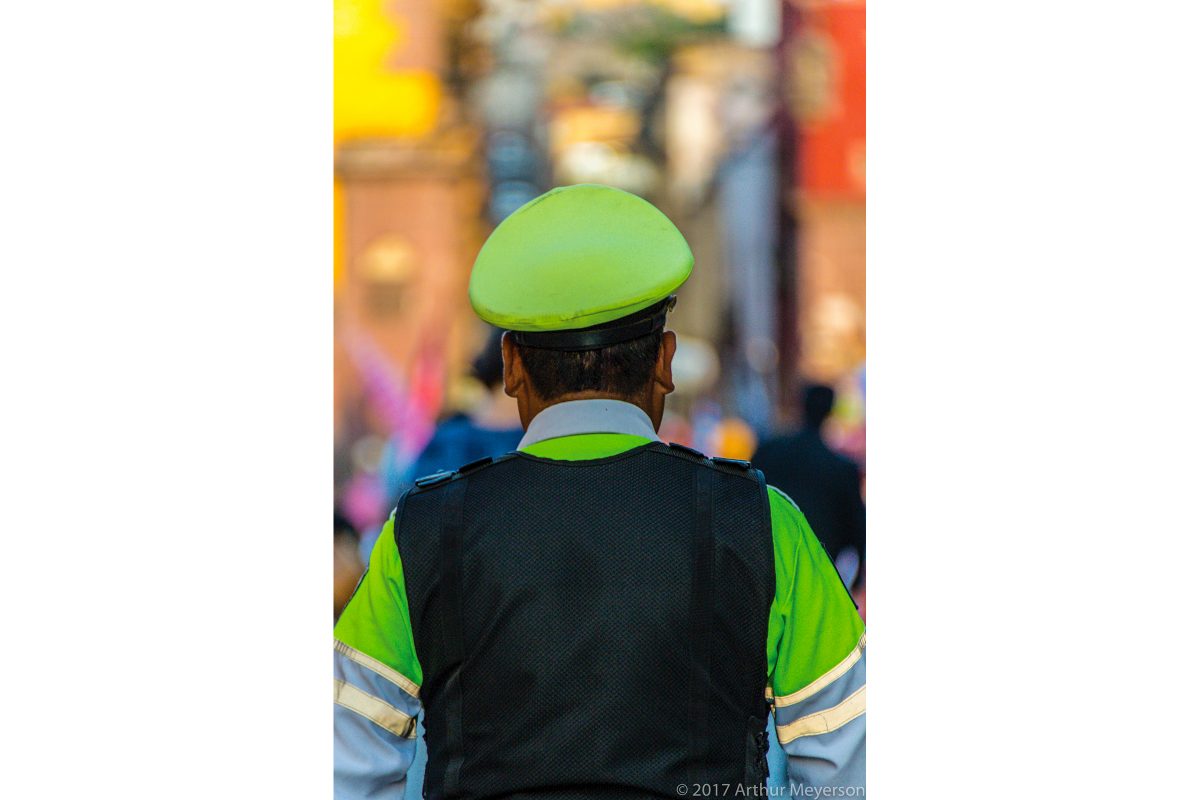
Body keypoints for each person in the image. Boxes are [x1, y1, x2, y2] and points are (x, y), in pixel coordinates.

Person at [333, 184, 866, 799]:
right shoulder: (761, 522)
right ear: (664, 360)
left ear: (510, 366)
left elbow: (349, 762)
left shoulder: (423, 531)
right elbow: (845, 762)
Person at [752, 385, 867, 591]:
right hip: (814, 579)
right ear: (830, 411)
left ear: (801, 406)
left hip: (765, 569)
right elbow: (859, 530)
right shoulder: (841, 469)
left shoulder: (768, 451)